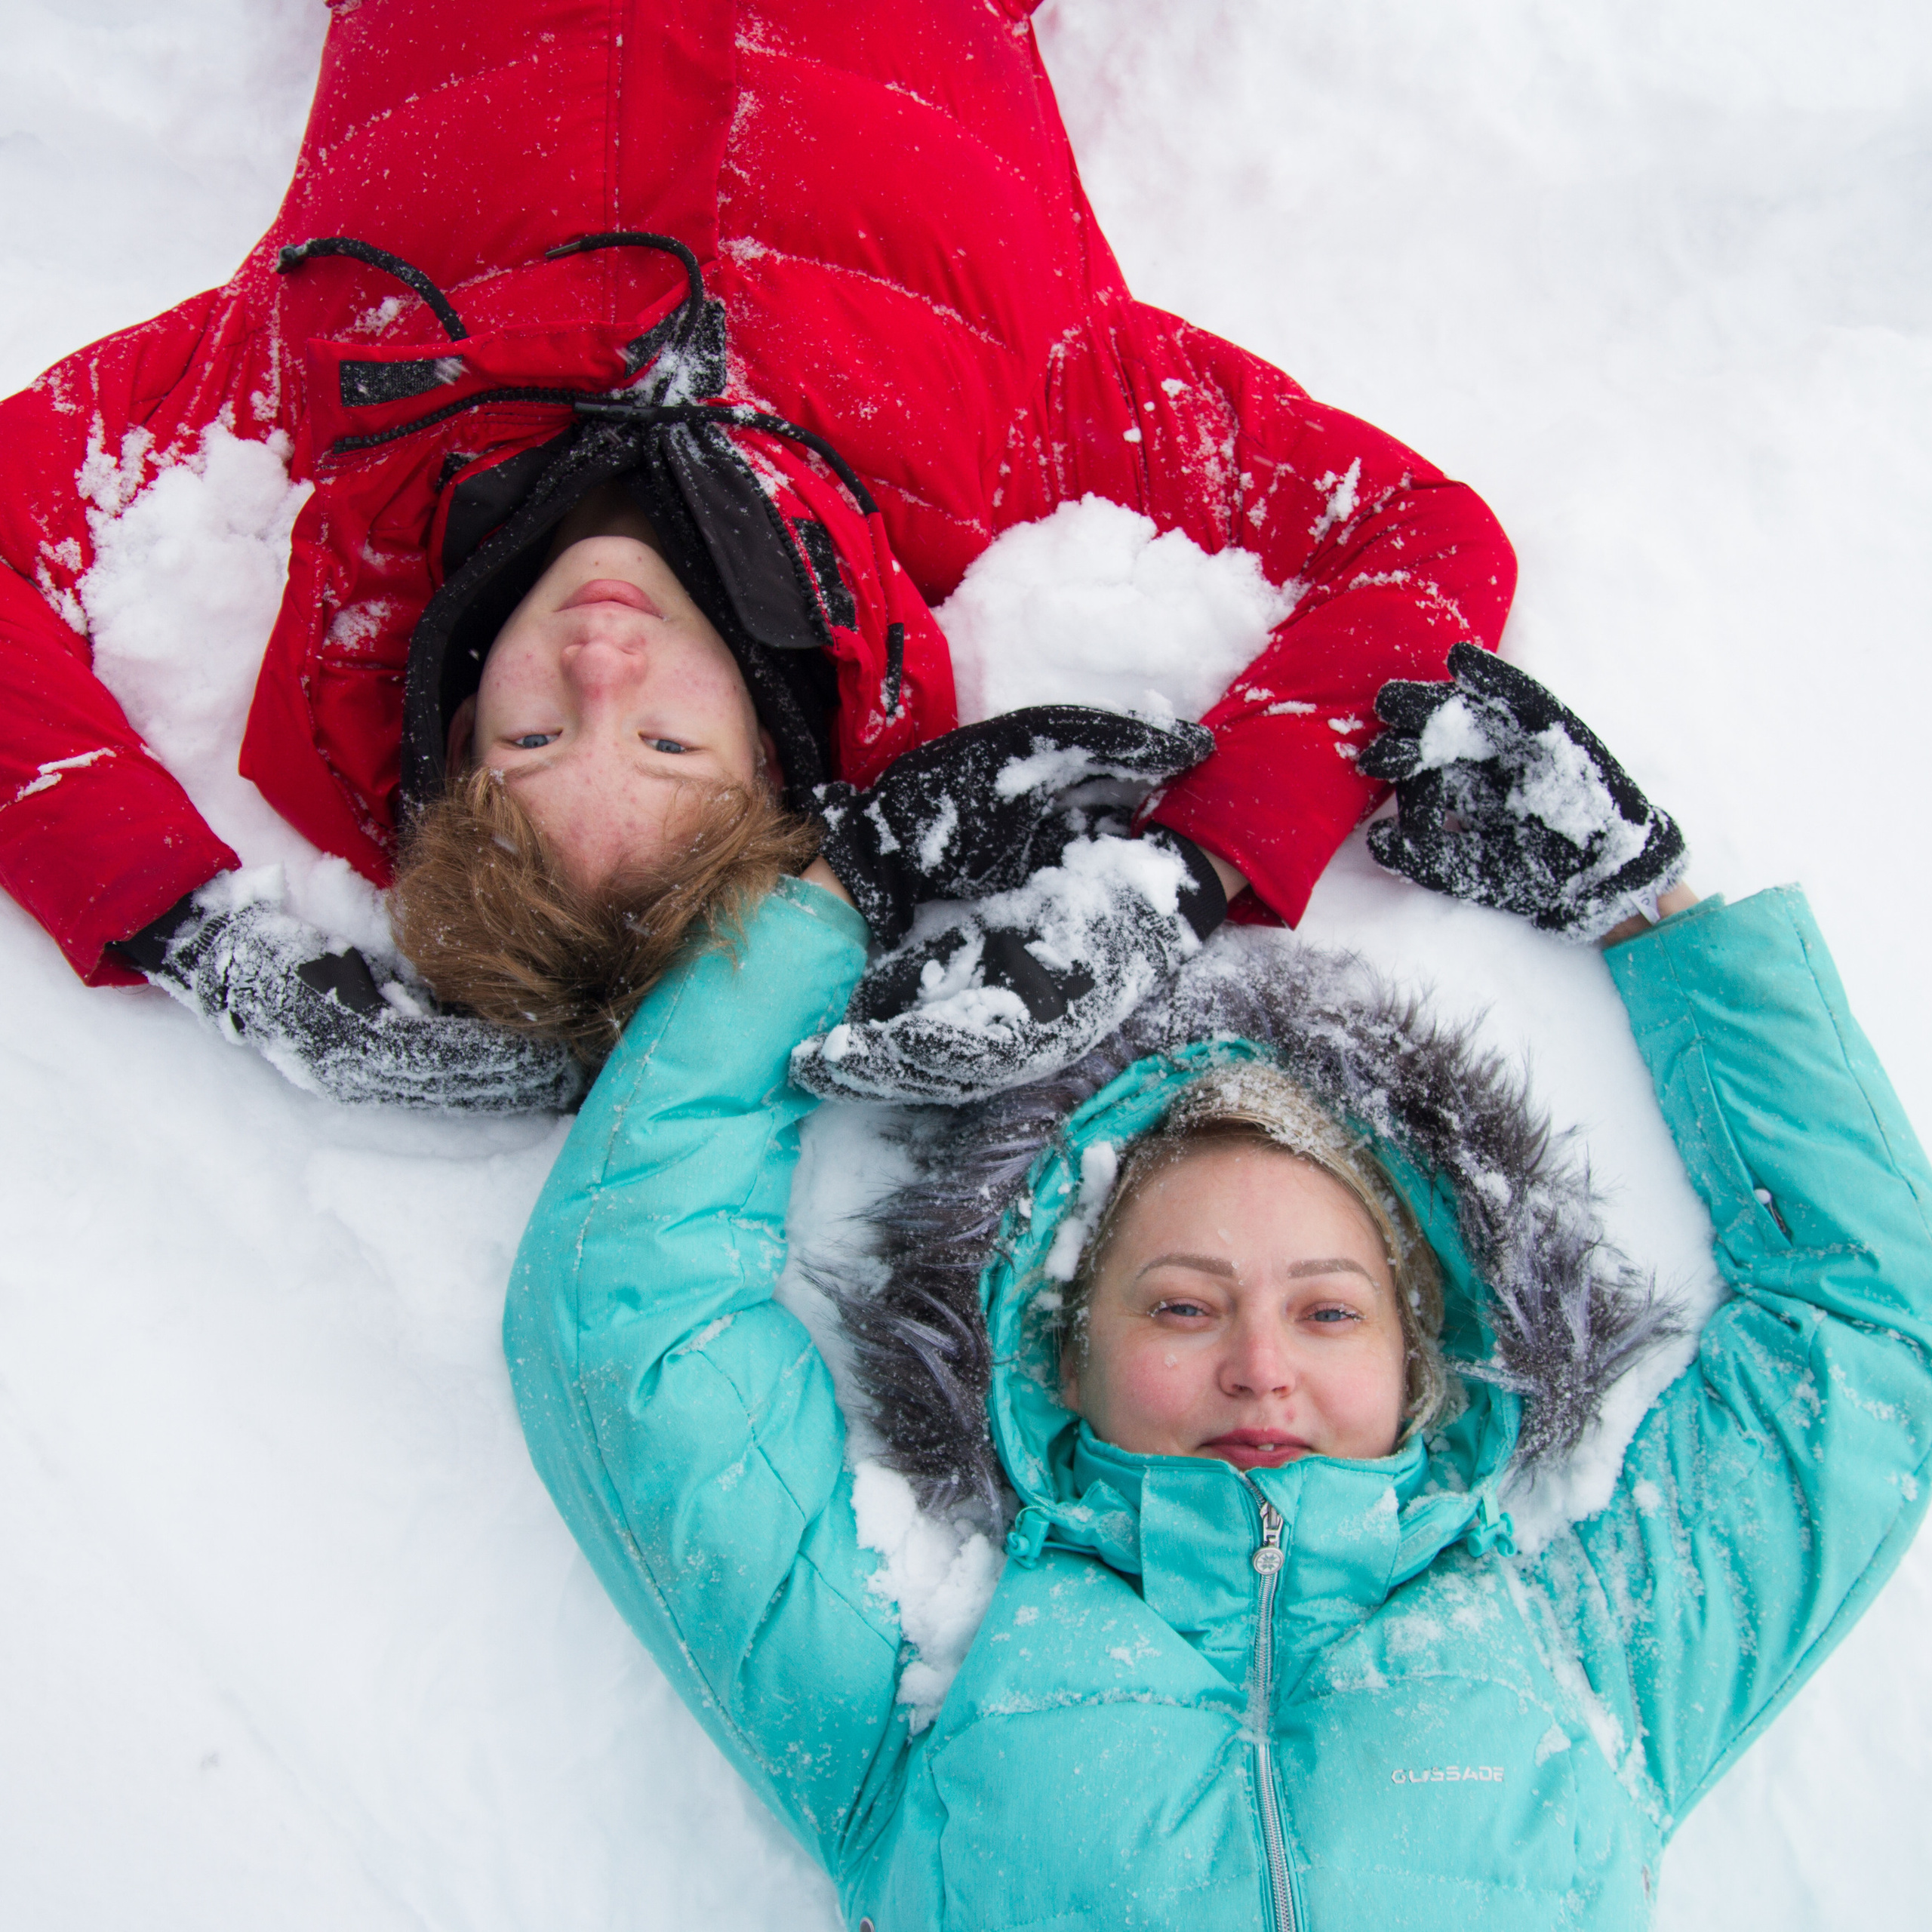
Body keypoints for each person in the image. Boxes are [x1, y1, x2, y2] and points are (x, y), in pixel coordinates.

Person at [503, 649, 1932, 1927]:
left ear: (1421, 1364)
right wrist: (840, 895)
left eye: (1329, 1310)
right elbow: (623, 1322)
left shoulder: (1594, 1687)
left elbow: (1872, 1343)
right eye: (1183, 1307)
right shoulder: (919, 1736)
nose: (1262, 1367)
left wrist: (1657, 914)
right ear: (1058, 1356)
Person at [0, 0, 1516, 1109]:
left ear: (457, 723)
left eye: (536, 735)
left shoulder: (321, 358)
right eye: (663, 739)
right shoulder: (1026, 422)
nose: (600, 662)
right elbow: (1419, 543)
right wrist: (1170, 875)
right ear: (777, 753)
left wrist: (192, 926)